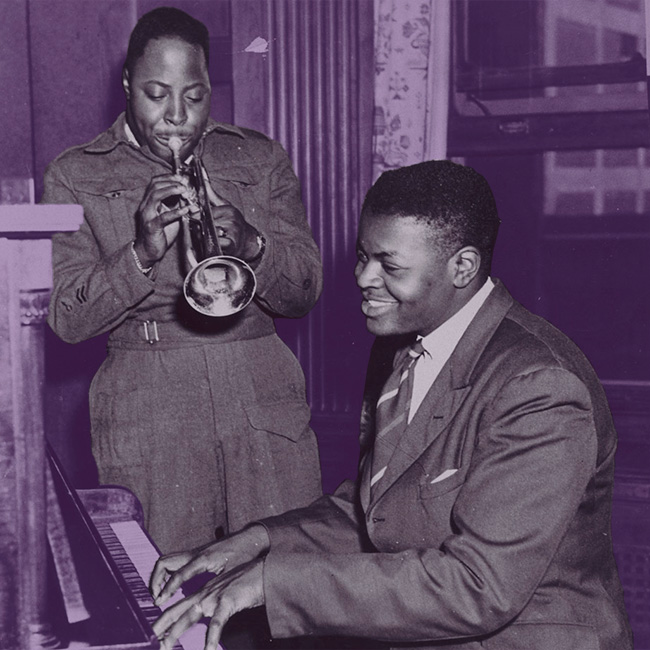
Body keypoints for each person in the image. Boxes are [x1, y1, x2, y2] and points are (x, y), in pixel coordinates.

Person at [149, 160, 634, 650]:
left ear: (462, 267)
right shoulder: (401, 344)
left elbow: (478, 587)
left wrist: (270, 584)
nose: (363, 277)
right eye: (362, 257)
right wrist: (255, 542)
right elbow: (378, 511)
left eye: (390, 265)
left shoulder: (539, 387)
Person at [44, 6, 323, 555]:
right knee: (164, 592)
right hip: (148, 400)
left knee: (286, 584)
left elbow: (306, 291)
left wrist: (252, 246)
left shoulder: (259, 158)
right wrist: (140, 255)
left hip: (259, 386)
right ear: (127, 85)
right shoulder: (76, 173)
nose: (176, 116)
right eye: (156, 94)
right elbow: (66, 321)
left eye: (194, 97)